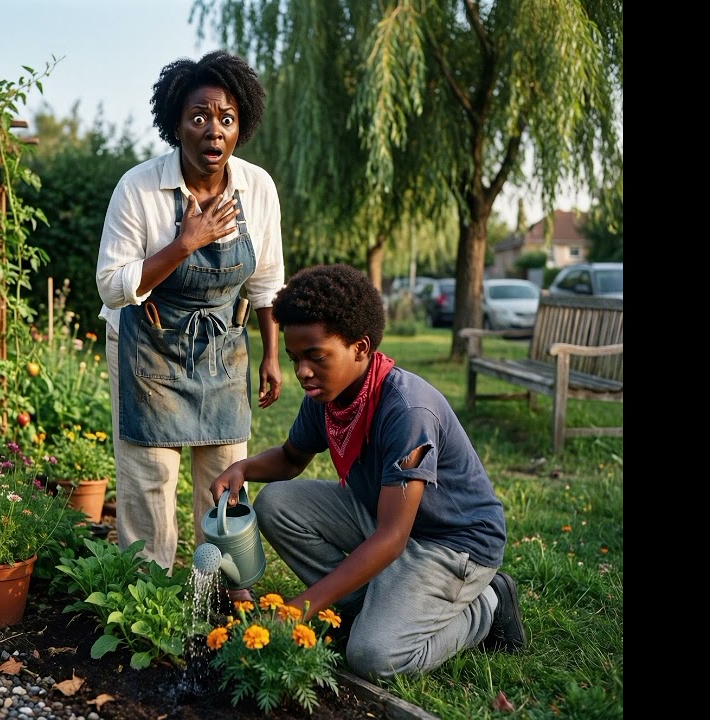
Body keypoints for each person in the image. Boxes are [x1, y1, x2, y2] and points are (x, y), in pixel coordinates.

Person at [209, 264, 525, 681]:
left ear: (360, 347)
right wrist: (244, 467)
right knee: (278, 503)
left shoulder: (408, 411)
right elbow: (290, 459)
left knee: (375, 657)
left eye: (315, 356)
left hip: (451, 542)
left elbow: (392, 538)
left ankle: (487, 605)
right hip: (388, 518)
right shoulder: (328, 396)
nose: (302, 371)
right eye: (295, 358)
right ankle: (369, 604)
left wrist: (302, 606)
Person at [95, 50, 284, 593]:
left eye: (226, 118)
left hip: (222, 346)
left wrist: (270, 354)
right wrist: (185, 244)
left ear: (240, 125)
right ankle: (145, 596)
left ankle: (222, 593)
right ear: (176, 122)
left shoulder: (258, 188)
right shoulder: (139, 188)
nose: (213, 131)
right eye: (199, 117)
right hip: (148, 347)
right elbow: (112, 283)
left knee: (225, 474)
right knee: (149, 480)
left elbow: (267, 280)